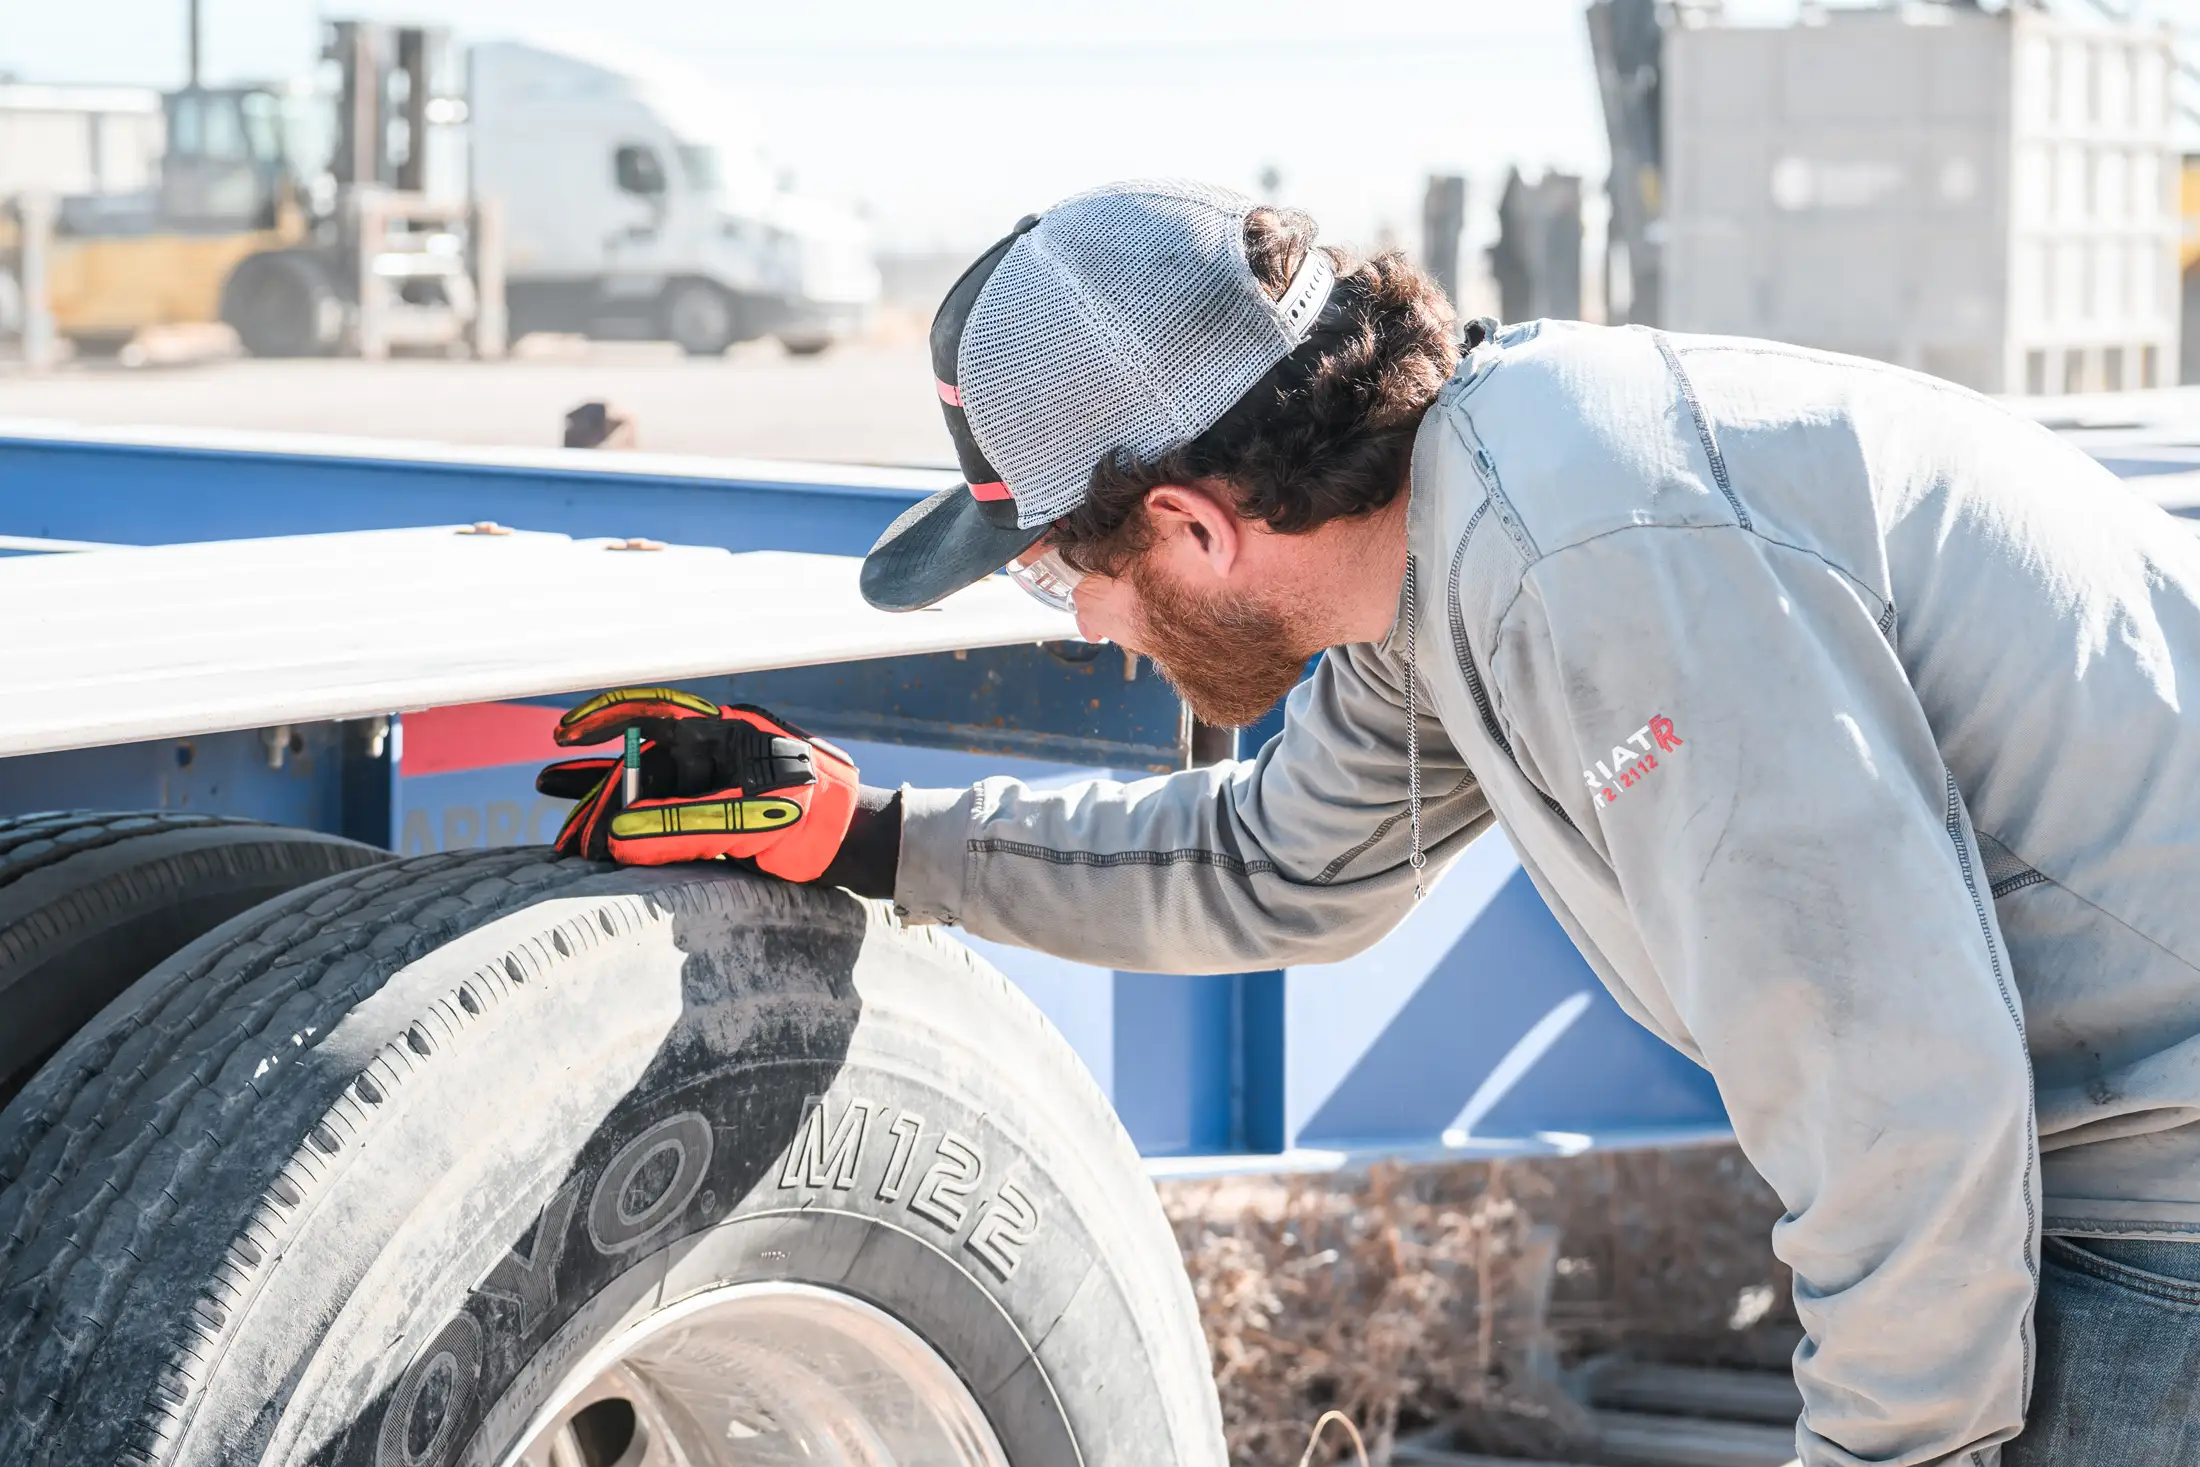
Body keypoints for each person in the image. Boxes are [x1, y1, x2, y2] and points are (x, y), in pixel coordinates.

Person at [536, 180, 2200, 1466]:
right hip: (2098, 1135)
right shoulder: (1462, 524)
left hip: (2157, 1183)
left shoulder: (1588, 563)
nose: (1088, 627)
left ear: (1191, 523)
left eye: (1067, 574)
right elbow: (1271, 866)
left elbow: (1900, 1100)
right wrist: (873, 835)